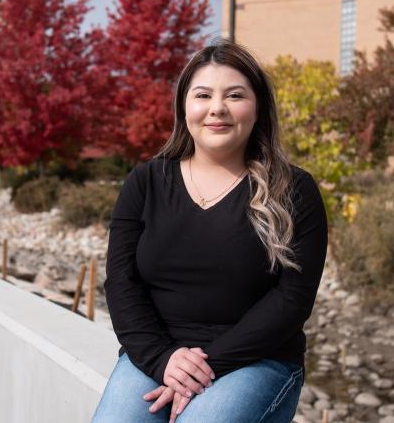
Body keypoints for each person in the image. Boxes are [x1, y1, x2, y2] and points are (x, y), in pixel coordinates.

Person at [92, 39, 327, 422]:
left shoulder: (294, 189)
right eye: (203, 95)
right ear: (185, 106)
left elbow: (293, 299)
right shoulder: (145, 182)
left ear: (258, 108)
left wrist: (204, 366)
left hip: (257, 359)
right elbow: (121, 282)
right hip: (157, 353)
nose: (217, 108)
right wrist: (162, 359)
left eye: (234, 95)